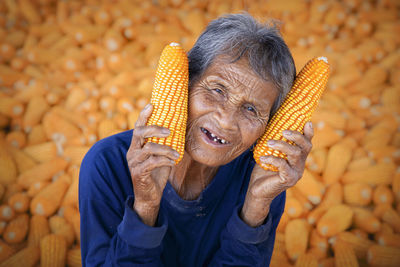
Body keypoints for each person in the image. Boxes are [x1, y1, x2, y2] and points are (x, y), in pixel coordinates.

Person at [79, 13, 313, 266]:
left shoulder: (262, 180)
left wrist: (256, 207)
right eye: (217, 90)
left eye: (251, 110)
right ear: (186, 82)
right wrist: (145, 206)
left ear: (268, 126)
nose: (225, 120)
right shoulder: (107, 164)